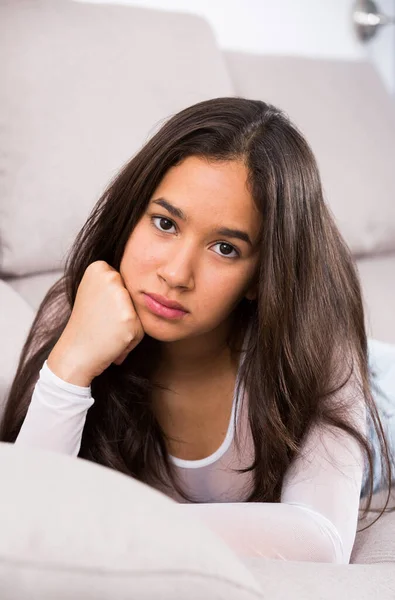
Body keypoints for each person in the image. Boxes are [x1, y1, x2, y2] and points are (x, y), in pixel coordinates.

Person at [1, 97, 394, 564]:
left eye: (225, 248)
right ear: (131, 217)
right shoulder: (82, 309)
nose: (176, 273)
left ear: (260, 275)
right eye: (165, 223)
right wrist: (70, 366)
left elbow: (320, 539)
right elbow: (23, 517)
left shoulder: (317, 343)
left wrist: (98, 521)